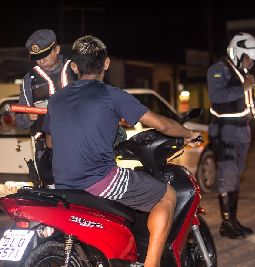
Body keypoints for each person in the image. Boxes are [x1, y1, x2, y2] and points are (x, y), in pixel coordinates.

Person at [42, 35, 201, 267]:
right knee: (167, 195)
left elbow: (50, 143)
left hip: (64, 183)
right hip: (99, 181)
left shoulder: (55, 100)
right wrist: (188, 134)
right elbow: (163, 125)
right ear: (106, 63)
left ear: (74, 67)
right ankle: (152, 263)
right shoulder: (111, 95)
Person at [207, 32, 255, 239]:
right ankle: (226, 224)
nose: (251, 62)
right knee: (227, 176)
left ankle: (233, 220)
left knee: (236, 177)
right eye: (249, 57)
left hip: (242, 129)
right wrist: (243, 88)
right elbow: (217, 96)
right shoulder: (218, 69)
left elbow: (248, 98)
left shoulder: (241, 72)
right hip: (225, 130)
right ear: (239, 53)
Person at [16, 29, 76, 185]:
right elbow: (20, 122)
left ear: (57, 49)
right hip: (45, 151)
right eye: (36, 58)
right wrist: (28, 117)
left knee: (82, 193)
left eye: (45, 55)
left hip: (78, 143)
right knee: (52, 195)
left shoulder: (75, 69)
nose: (41, 61)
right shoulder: (30, 79)